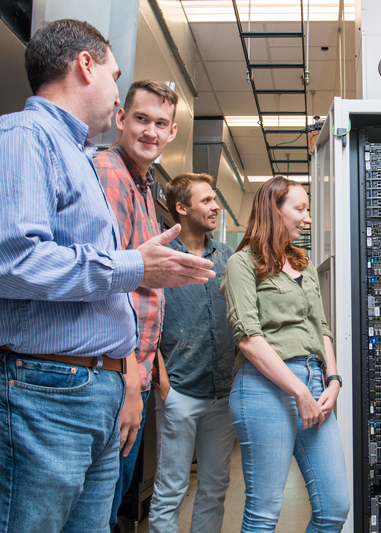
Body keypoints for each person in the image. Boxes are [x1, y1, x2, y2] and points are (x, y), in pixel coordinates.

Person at [0, 19, 214, 532]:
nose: (116, 92)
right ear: (86, 66)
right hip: (30, 392)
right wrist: (135, 266)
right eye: (115, 74)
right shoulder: (20, 137)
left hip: (75, 393)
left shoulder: (74, 157)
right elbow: (7, 260)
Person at [220, 176, 350, 532]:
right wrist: (299, 391)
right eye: (300, 209)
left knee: (335, 507)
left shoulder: (303, 265)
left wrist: (334, 380)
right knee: (264, 511)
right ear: (273, 210)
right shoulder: (241, 264)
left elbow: (321, 327)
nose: (306, 218)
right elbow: (248, 339)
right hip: (265, 388)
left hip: (313, 383)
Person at [93, 79, 179, 531]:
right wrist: (128, 380)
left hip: (134, 373)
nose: (149, 131)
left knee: (108, 506)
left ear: (172, 133)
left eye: (159, 123)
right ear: (121, 119)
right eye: (141, 119)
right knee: (99, 510)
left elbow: (143, 288)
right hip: (113, 375)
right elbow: (108, 284)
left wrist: (151, 370)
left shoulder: (144, 186)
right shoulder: (111, 173)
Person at [148, 173, 236, 532]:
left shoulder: (227, 258)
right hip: (179, 393)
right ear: (181, 208)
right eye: (206, 201)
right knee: (170, 491)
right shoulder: (162, 259)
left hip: (222, 396)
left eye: (214, 199)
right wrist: (163, 386)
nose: (215, 206)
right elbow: (144, 322)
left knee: (214, 488)